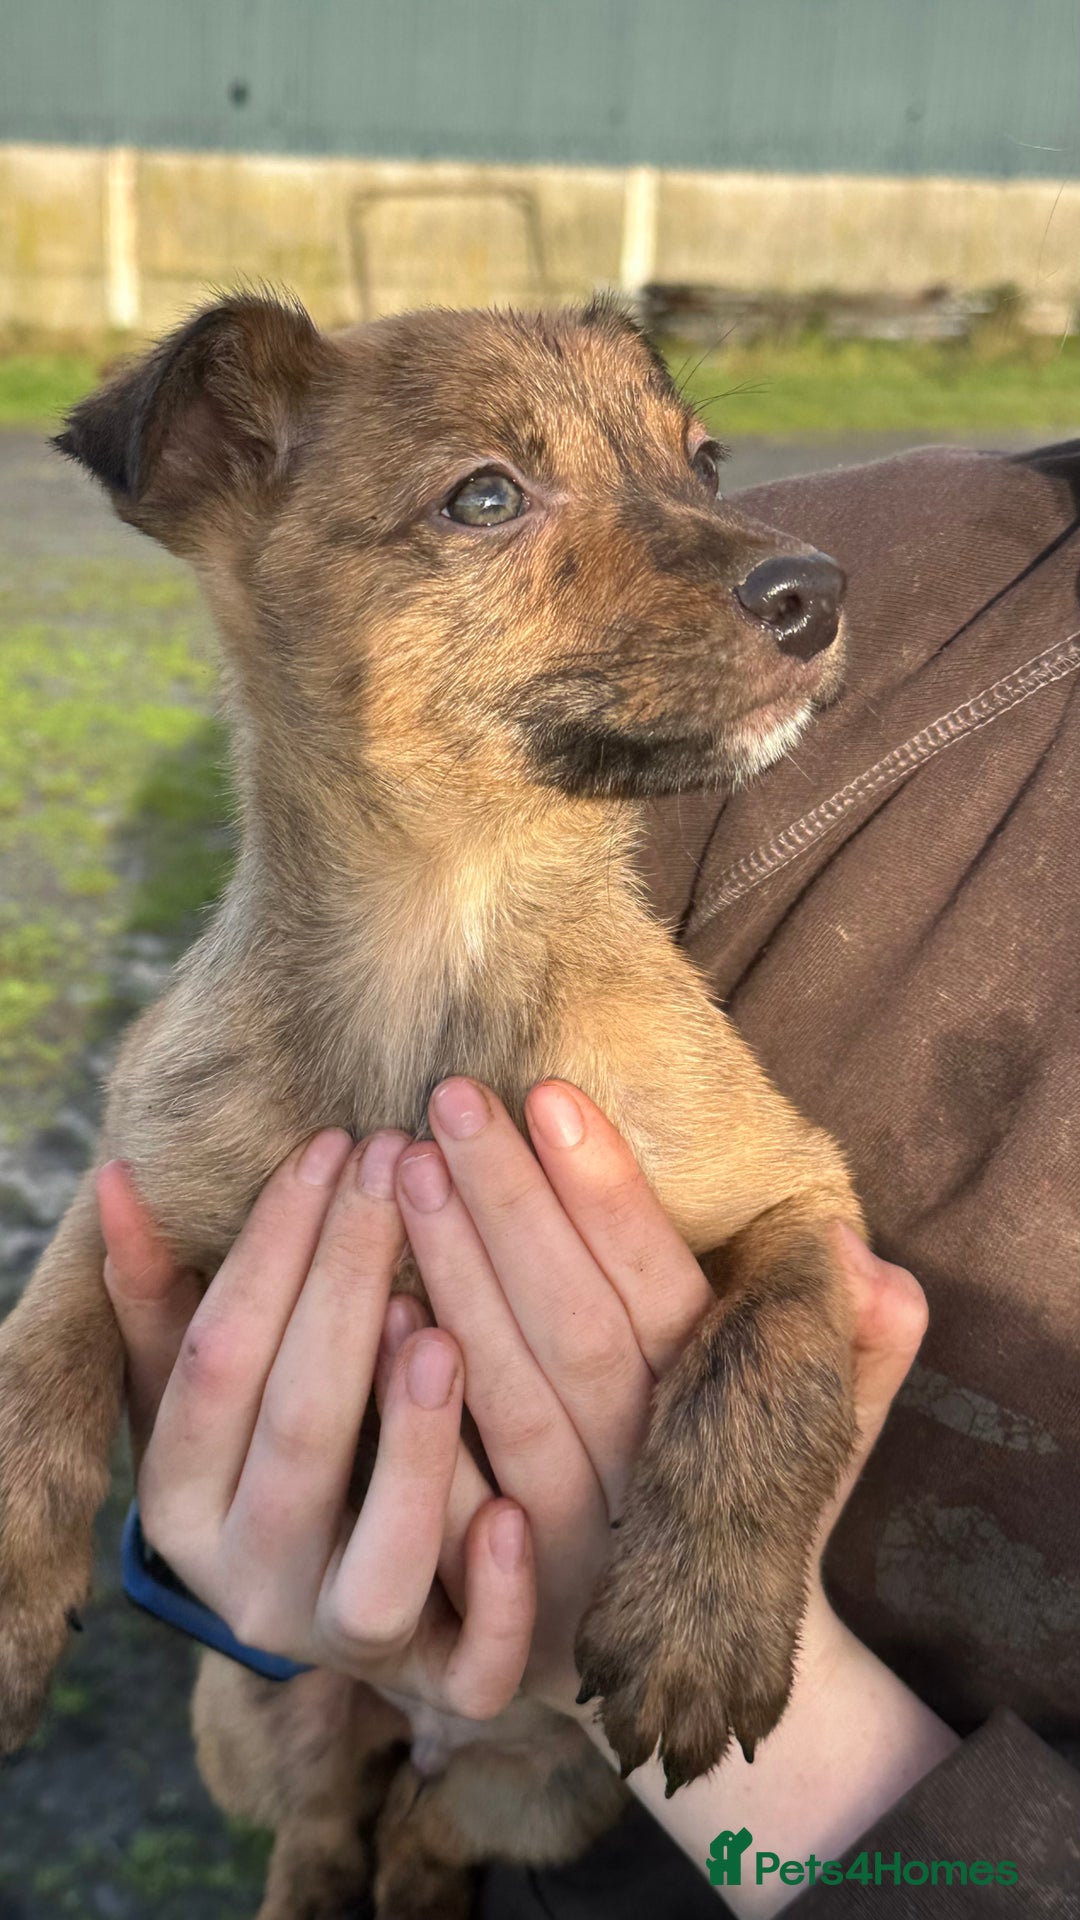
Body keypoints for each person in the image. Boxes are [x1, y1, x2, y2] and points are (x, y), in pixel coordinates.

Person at [98, 439, 1080, 1914]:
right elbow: (277, 1109)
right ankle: (329, 1840)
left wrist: (785, 1753)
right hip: (429, 1664)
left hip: (648, 1825)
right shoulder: (813, 579)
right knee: (292, 1774)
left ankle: (414, 1846)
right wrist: (230, 1548)